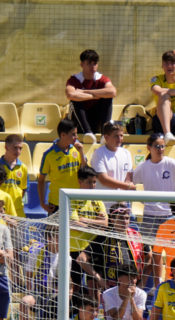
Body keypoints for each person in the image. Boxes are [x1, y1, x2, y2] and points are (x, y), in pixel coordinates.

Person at [131, 133, 175, 239]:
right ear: (148, 148)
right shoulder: (143, 167)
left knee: (170, 249)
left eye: (162, 146)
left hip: (168, 214)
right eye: (157, 146)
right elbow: (129, 183)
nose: (160, 149)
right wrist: (141, 199)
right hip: (149, 214)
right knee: (149, 250)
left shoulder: (171, 163)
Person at [65, 166, 110, 302]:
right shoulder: (72, 199)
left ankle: (95, 313)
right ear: (80, 182)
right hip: (74, 248)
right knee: (75, 286)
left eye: (95, 182)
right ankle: (73, 313)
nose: (93, 185)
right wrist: (96, 223)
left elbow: (107, 224)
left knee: (94, 285)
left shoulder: (97, 200)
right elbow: (74, 224)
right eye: (89, 182)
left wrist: (85, 221)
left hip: (93, 248)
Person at [64, 50, 116, 144]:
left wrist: (85, 92)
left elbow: (112, 92)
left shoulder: (101, 78)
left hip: (96, 121)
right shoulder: (74, 79)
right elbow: (70, 94)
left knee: (107, 98)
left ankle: (104, 134)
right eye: (89, 64)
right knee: (75, 100)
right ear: (81, 64)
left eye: (95, 63)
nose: (93, 67)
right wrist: (95, 96)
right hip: (78, 122)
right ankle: (88, 133)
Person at [37, 118, 86, 216]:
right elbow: (41, 180)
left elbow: (84, 171)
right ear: (63, 135)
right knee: (54, 232)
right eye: (73, 134)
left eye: (76, 134)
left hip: (76, 202)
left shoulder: (77, 149)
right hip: (57, 203)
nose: (76, 137)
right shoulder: (49, 154)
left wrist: (81, 152)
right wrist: (42, 202)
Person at [91, 121, 137, 203]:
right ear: (106, 137)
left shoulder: (126, 153)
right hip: (104, 203)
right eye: (116, 136)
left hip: (122, 205)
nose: (119, 139)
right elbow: (103, 179)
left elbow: (128, 177)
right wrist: (128, 186)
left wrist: (123, 195)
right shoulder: (98, 153)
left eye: (121, 135)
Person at [0, 135, 28, 219]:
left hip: (17, 211)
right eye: (15, 147)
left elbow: (23, 190)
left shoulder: (23, 167)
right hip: (0, 210)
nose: (18, 151)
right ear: (6, 147)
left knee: (19, 232)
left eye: (20, 148)